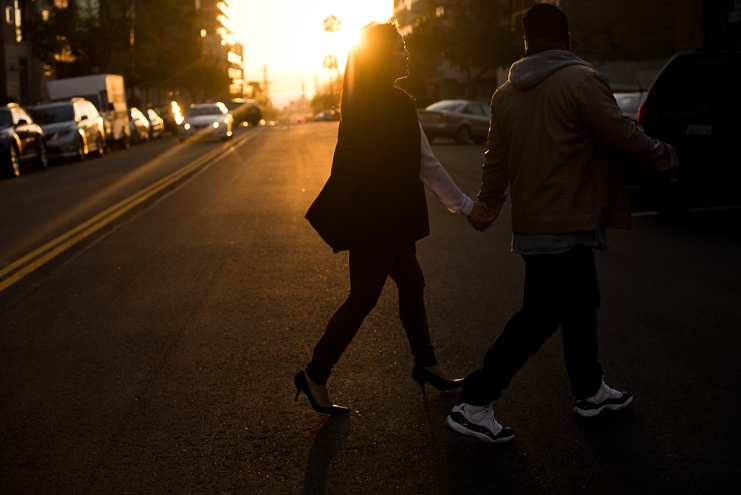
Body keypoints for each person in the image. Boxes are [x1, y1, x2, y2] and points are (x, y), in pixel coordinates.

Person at [445, 4, 679, 443]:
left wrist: (489, 205)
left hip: (540, 219)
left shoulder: (505, 95)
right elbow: (620, 135)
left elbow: (496, 159)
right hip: (569, 217)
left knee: (582, 301)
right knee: (539, 314)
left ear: (526, 43)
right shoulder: (583, 80)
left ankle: (590, 391)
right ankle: (474, 402)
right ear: (567, 39)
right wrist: (667, 155)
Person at [296, 20, 485, 414]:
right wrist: (467, 207)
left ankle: (427, 363)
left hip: (375, 217)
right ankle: (315, 374)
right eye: (400, 46)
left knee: (411, 281)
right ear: (383, 56)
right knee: (363, 297)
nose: (407, 52)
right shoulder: (395, 102)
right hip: (379, 221)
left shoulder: (360, 101)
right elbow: (426, 164)